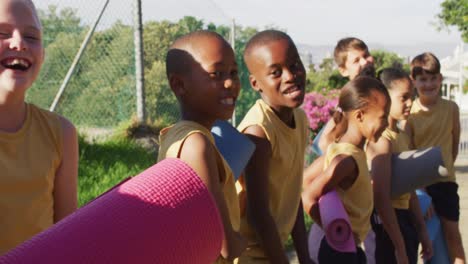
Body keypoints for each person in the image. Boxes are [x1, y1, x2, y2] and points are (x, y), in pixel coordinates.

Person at [157, 30, 246, 263]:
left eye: (234, 73)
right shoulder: (197, 144)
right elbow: (225, 245)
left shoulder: (174, 135)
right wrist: (242, 240)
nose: (230, 83)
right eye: (216, 74)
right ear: (179, 85)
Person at [0, 0, 78, 254]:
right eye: (2, 33)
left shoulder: (61, 134)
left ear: (43, 54)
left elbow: (67, 235)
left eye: (32, 36)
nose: (19, 43)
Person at [235, 30, 312, 263]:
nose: (290, 76)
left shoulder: (299, 119)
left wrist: (305, 256)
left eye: (294, 64)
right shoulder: (258, 133)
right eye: (275, 72)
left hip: (274, 251)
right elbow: (258, 216)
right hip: (253, 256)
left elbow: (292, 193)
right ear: (256, 83)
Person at [302, 76, 391, 264]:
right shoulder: (346, 160)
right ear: (359, 116)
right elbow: (308, 196)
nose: (386, 124)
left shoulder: (344, 151)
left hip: (349, 248)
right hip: (340, 252)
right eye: (383, 117)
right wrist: (335, 233)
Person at [366, 68, 432, 264]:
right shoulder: (381, 141)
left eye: (412, 96)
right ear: (383, 97)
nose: (410, 103)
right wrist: (399, 246)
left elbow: (409, 188)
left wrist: (421, 230)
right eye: (403, 98)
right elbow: (381, 198)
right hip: (386, 226)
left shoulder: (402, 136)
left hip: (404, 222)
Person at [406, 52, 464, 264]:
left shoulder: (451, 108)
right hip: (420, 187)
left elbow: (454, 144)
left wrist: (446, 167)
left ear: (440, 79)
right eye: (423, 79)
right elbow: (408, 153)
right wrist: (421, 190)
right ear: (414, 82)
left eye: (433, 78)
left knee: (453, 237)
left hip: (445, 183)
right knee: (424, 239)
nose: (429, 84)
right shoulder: (410, 112)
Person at [317, 37, 375, 153]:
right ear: (343, 71)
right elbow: (325, 143)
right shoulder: (352, 99)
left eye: (366, 55)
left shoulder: (377, 88)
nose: (365, 62)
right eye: (356, 60)